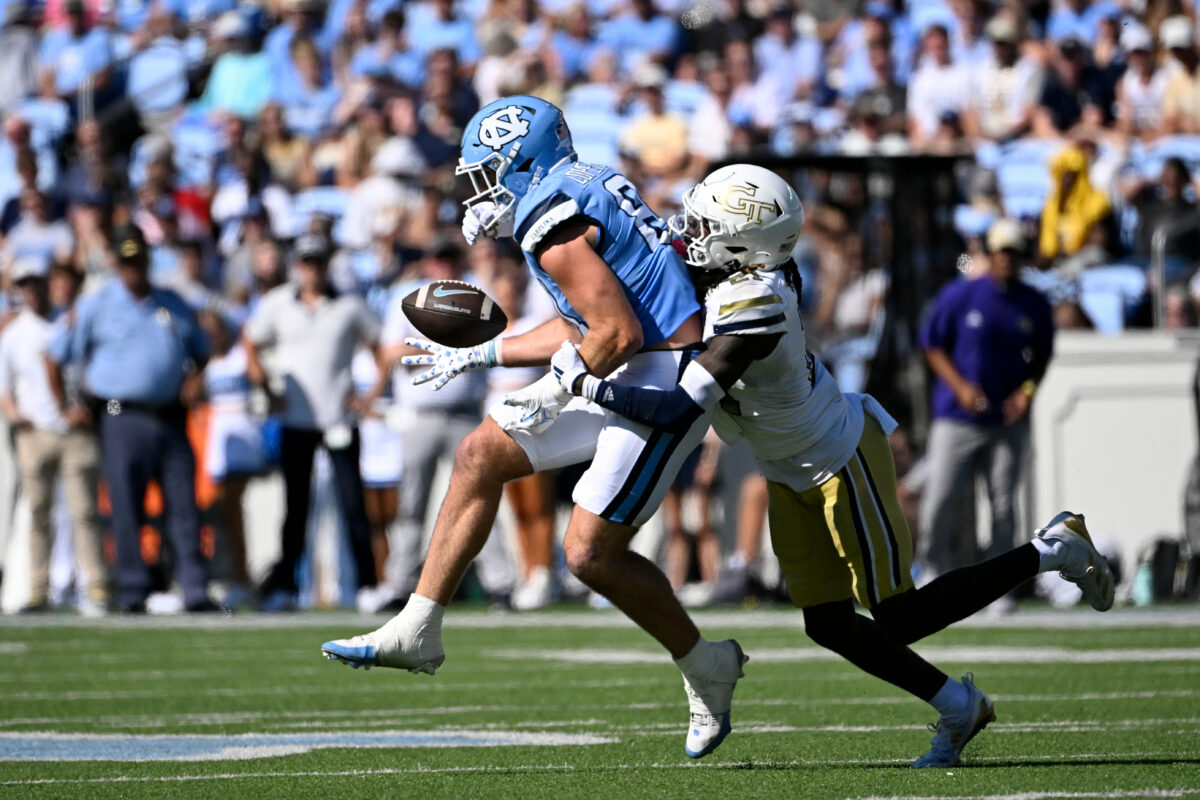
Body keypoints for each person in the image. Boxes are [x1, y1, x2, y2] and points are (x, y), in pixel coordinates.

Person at [548, 164, 1114, 768]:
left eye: (706, 224)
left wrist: (585, 383)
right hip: (790, 467)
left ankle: (1051, 549)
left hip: (836, 462)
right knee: (828, 624)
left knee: (901, 616)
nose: (688, 231)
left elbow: (676, 407)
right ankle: (958, 705)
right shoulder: (738, 269)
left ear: (744, 246)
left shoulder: (754, 302)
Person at [322, 96, 746, 761]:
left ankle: (705, 663)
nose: (479, 193)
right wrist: (483, 352)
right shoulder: (586, 183)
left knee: (587, 555)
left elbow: (617, 332)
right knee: (479, 453)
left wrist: (550, 391)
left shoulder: (551, 219)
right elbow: (589, 320)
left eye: (488, 174)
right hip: (634, 363)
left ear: (523, 161)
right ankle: (418, 624)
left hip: (662, 380)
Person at [47, 224, 215, 613]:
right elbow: (56, 354)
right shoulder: (97, 304)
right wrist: (64, 406)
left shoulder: (171, 302)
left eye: (137, 260)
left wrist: (194, 379)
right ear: (115, 264)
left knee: (183, 504)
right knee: (126, 505)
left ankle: (193, 586)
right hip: (120, 416)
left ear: (147, 259)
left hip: (171, 415)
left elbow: (201, 350)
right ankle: (132, 588)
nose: (132, 269)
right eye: (125, 262)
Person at [242, 232, 386, 612]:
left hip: (339, 419)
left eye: (318, 263)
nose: (313, 271)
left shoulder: (350, 306)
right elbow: (250, 342)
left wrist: (370, 396)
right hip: (297, 420)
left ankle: (368, 585)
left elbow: (382, 348)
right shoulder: (277, 305)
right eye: (307, 263)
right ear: (297, 266)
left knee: (354, 504)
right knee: (296, 508)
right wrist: (267, 390)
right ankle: (286, 587)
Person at [919, 219, 1055, 583]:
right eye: (1000, 252)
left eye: (1012, 252)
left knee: (1003, 505)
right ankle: (932, 567)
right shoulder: (961, 295)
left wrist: (1026, 393)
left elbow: (1041, 355)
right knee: (941, 498)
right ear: (990, 254)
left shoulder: (1033, 303)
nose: (1006, 259)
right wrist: (961, 387)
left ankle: (1000, 584)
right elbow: (932, 345)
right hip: (957, 415)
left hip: (1005, 419)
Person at [0, 258, 106, 615]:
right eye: (25, 285)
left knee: (85, 512)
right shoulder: (13, 334)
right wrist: (17, 418)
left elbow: (100, 376)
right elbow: (4, 387)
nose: (32, 291)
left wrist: (90, 412)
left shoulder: (71, 322)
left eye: (37, 283)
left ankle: (95, 585)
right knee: (38, 513)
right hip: (36, 433)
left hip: (76, 432)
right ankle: (38, 589)